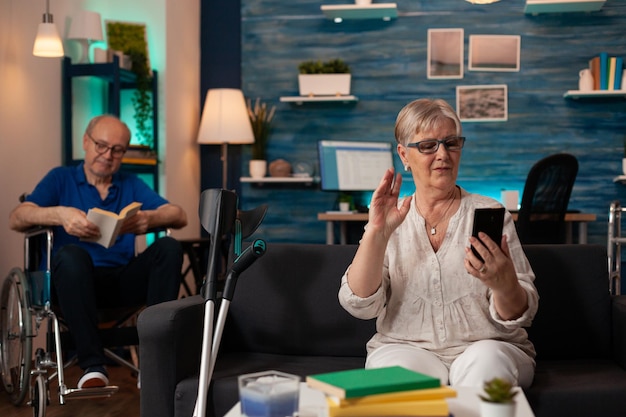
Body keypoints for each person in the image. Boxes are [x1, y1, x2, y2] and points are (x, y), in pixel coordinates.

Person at [338, 98, 538, 388]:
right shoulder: (390, 218)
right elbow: (360, 306)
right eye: (428, 145)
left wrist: (503, 283)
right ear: (404, 155)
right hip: (404, 347)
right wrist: (376, 233)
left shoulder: (491, 214)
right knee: (396, 377)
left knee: (486, 364)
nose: (443, 154)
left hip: (490, 346)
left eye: (451, 143)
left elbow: (519, 315)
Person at [9, 114, 188, 389]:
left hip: (119, 282)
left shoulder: (130, 183)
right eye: (101, 145)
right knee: (70, 255)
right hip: (72, 283)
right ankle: (92, 366)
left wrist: (148, 220)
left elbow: (178, 214)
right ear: (85, 141)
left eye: (117, 150)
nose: (107, 155)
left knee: (169, 247)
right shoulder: (61, 178)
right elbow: (17, 218)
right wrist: (60, 214)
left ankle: (154, 364)